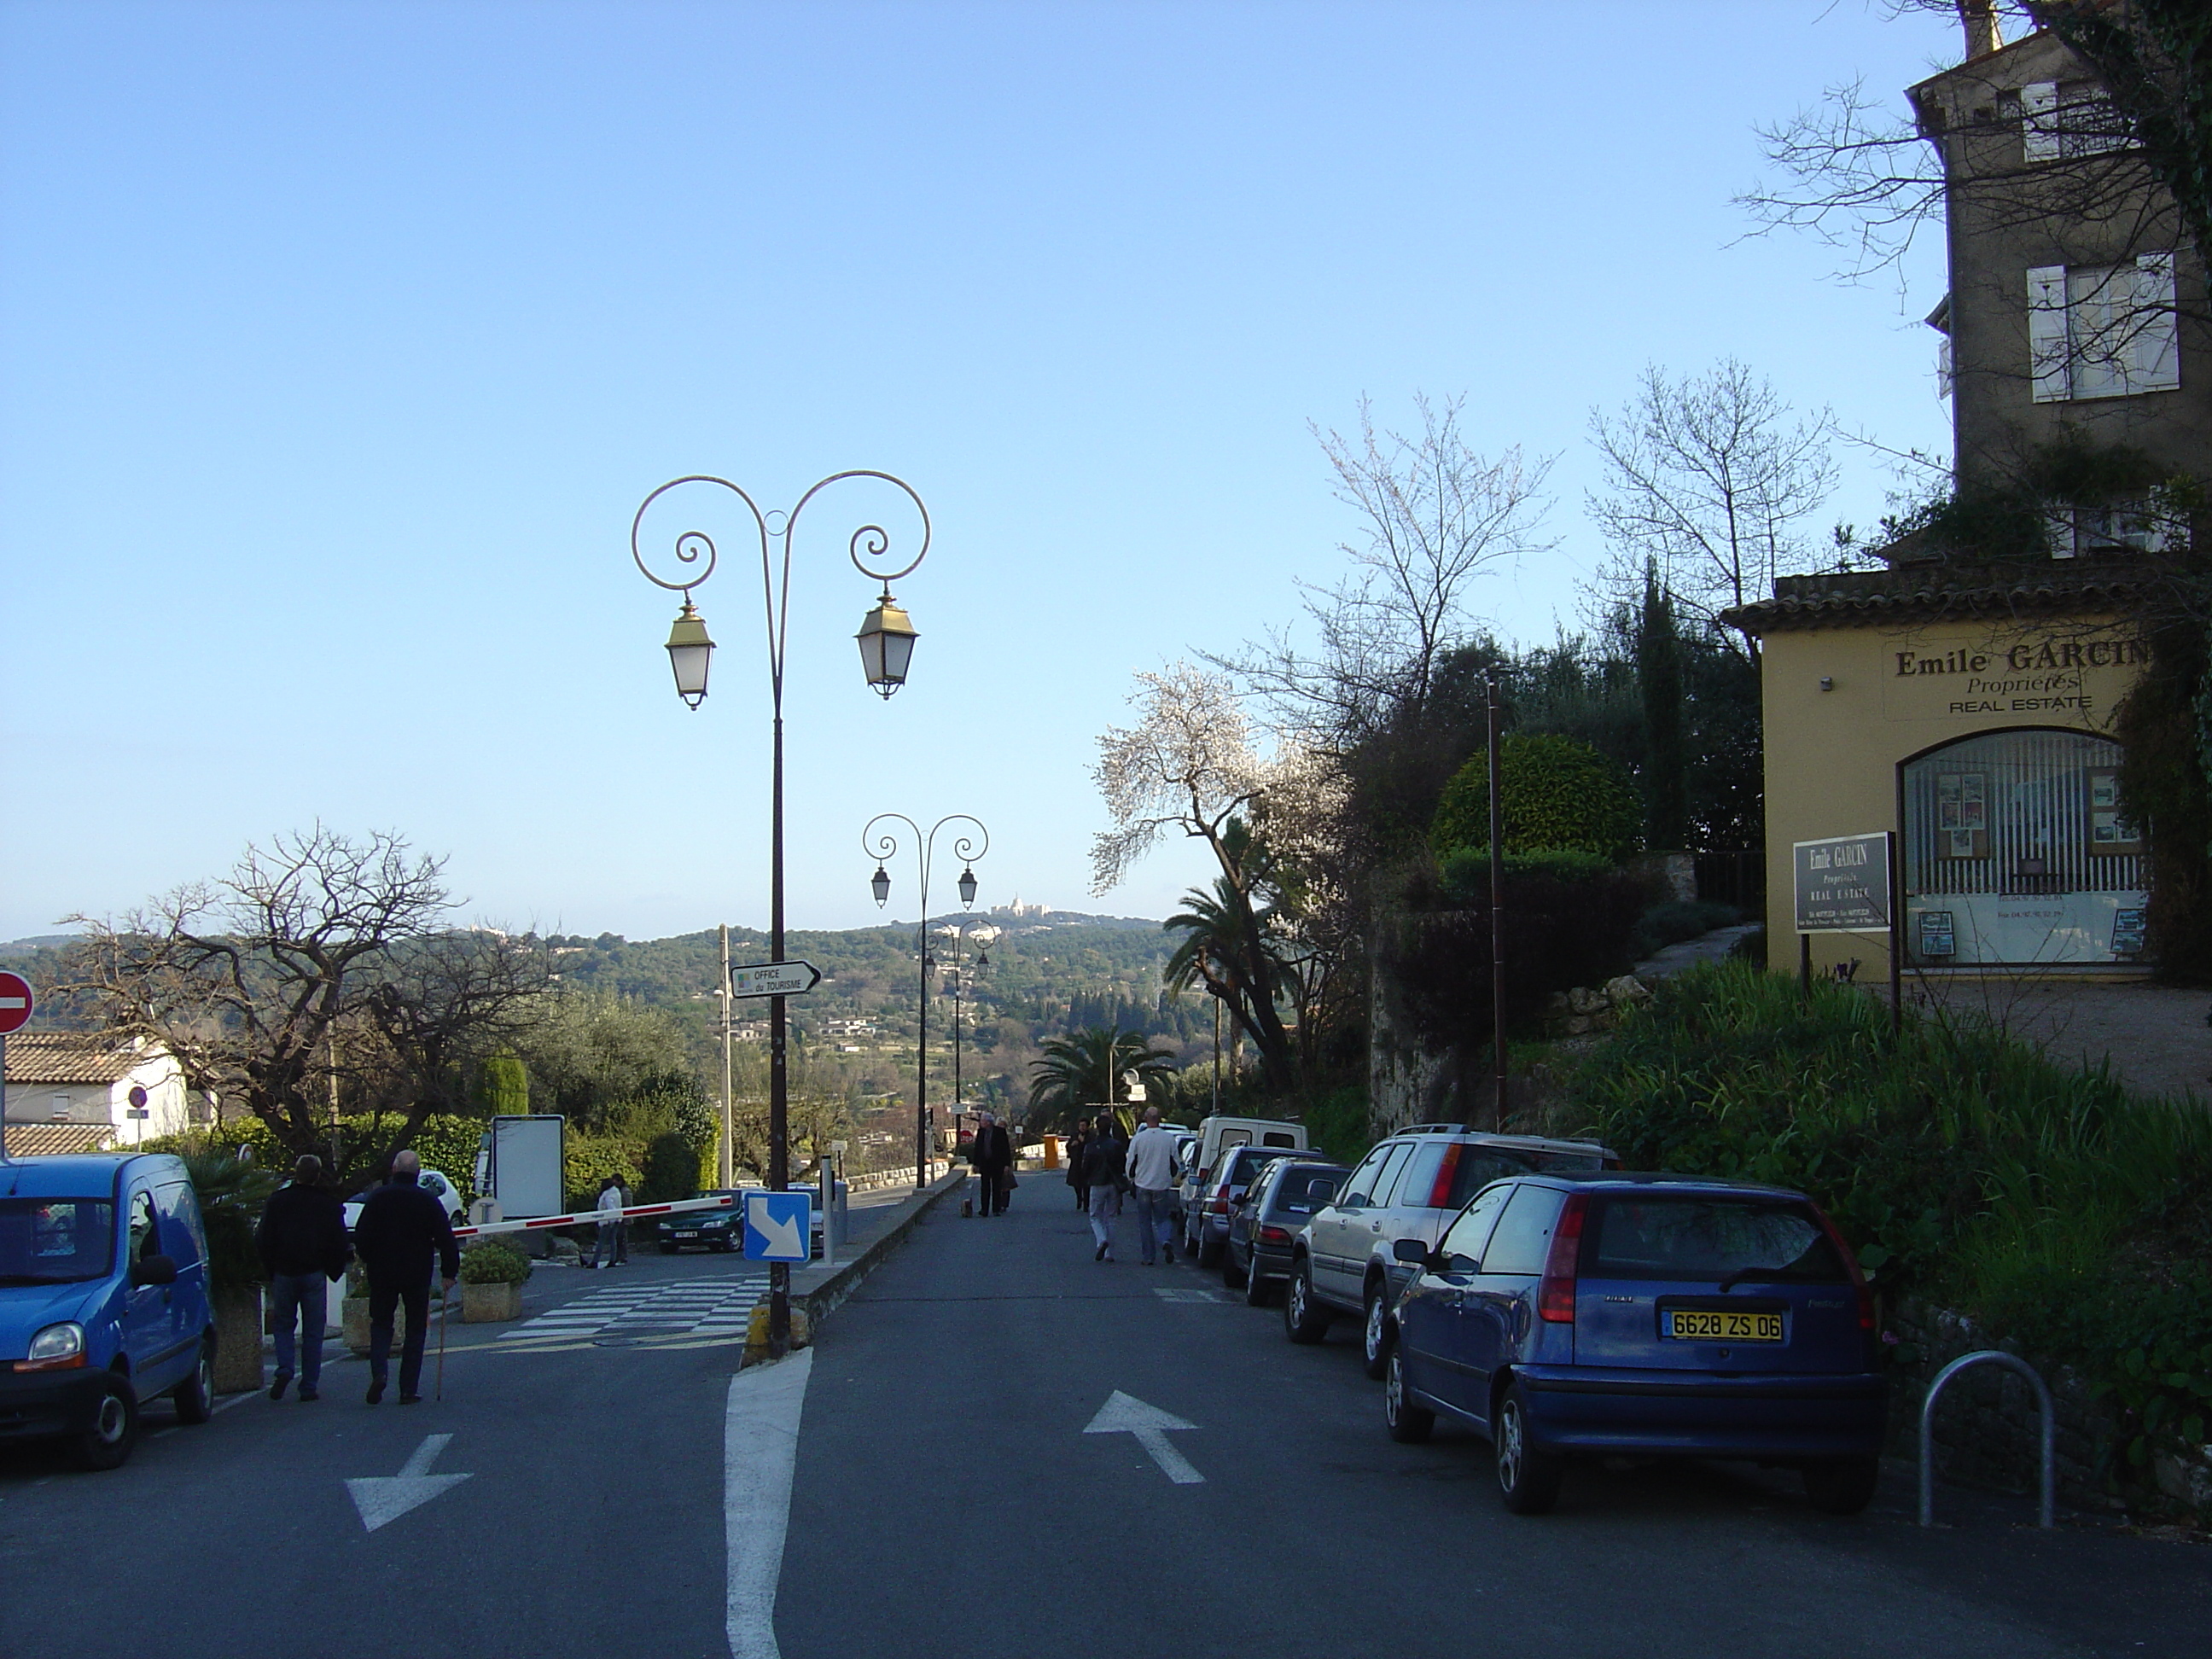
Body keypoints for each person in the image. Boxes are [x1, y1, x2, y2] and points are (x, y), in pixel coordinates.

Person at [352, 1150, 460, 1406]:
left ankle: (379, 1371)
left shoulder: (377, 1198)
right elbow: (446, 1238)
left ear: (393, 1170)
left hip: (382, 1272)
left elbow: (362, 1235)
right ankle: (408, 1389)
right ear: (417, 1173)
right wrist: (449, 1272)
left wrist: (369, 1261)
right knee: (415, 1328)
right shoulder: (427, 1200)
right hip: (416, 1272)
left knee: (381, 1323)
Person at [253, 1154, 351, 1403]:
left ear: (296, 1173)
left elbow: (263, 1237)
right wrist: (334, 1268)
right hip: (313, 1272)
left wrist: (270, 1268)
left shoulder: (278, 1202)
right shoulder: (327, 1204)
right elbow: (339, 1240)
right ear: (317, 1175)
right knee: (313, 1331)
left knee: (283, 1324)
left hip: (284, 1272)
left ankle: (285, 1366)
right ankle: (308, 1385)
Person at [1125, 1106, 1180, 1266]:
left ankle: (1148, 1256)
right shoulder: (1169, 1139)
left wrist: (1131, 1178)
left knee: (1145, 1221)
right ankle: (1165, 1240)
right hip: (1162, 1185)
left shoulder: (1139, 1139)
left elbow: (1131, 1162)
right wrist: (1172, 1178)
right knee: (1163, 1218)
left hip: (1143, 1184)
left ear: (1146, 1118)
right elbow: (1176, 1162)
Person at [1081, 1113, 1126, 1262]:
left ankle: (1101, 1240)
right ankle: (1110, 1253)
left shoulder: (1091, 1147)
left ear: (1097, 1128)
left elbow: (1085, 1166)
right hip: (1113, 1183)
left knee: (1095, 1216)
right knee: (1111, 1217)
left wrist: (1086, 1179)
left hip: (1097, 1183)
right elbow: (1122, 1164)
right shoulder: (1116, 1145)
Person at [969, 1113, 1013, 1219]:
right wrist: (976, 1164)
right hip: (985, 1163)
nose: (981, 1123)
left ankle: (996, 1209)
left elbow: (1006, 1149)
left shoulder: (1000, 1132)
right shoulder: (981, 1132)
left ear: (988, 1122)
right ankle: (984, 1209)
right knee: (984, 1187)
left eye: (983, 1121)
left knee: (996, 1187)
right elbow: (978, 1149)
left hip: (997, 1163)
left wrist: (1007, 1164)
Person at [595, 1176, 628, 1267]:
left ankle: (595, 1261)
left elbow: (611, 1208)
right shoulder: (616, 1192)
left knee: (601, 1241)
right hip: (617, 1219)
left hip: (607, 1221)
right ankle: (612, 1260)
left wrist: (610, 1220)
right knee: (613, 1240)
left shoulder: (608, 1195)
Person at [1064, 1123, 1091, 1213]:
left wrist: (1083, 1142)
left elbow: (1091, 1147)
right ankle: (1080, 1198)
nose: (1082, 1127)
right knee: (1076, 1183)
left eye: (1084, 1125)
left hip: (1087, 1163)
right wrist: (1072, 1144)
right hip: (1076, 1162)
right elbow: (1068, 1146)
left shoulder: (1091, 1136)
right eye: (1081, 1125)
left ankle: (1086, 1204)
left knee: (1086, 1185)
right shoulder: (1074, 1135)